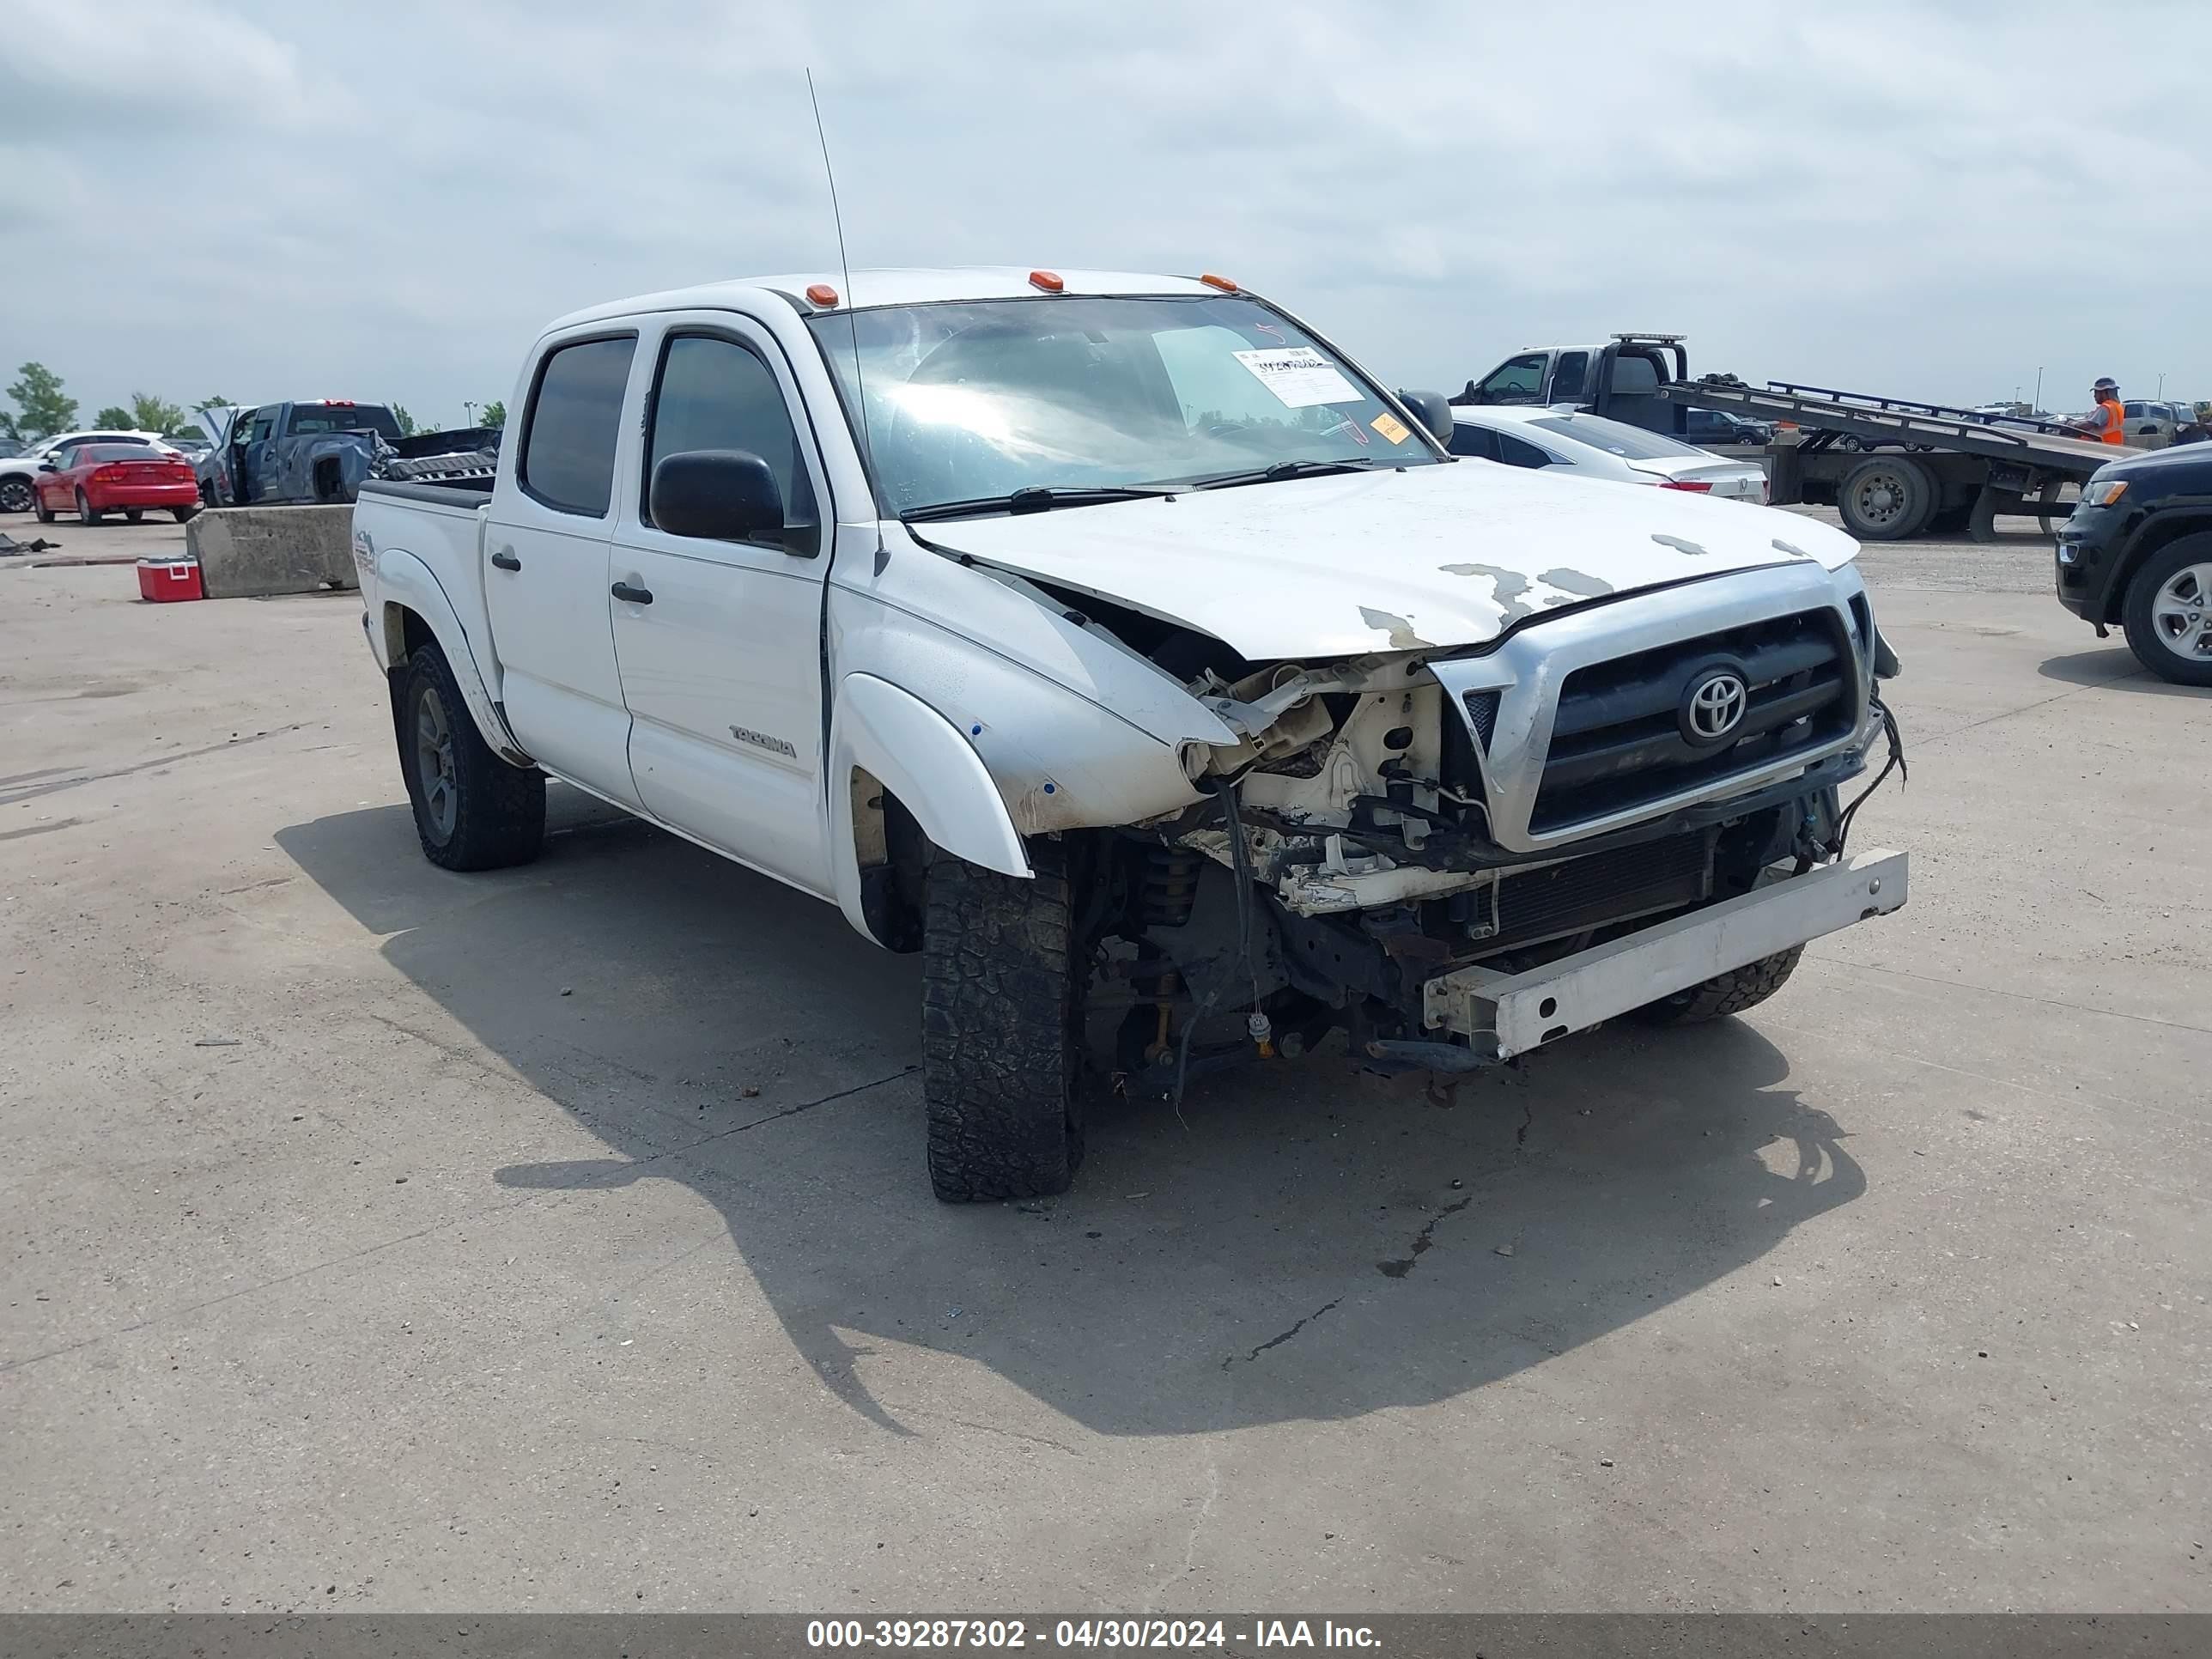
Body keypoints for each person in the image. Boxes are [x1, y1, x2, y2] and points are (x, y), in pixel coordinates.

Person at [2074, 377, 2128, 445]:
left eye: (2096, 392)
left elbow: (2087, 426)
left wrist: (2073, 424)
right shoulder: (2117, 406)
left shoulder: (2105, 408)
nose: (2094, 396)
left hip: (2102, 446)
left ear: (2105, 393)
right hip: (2114, 446)